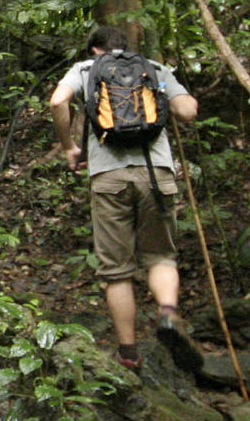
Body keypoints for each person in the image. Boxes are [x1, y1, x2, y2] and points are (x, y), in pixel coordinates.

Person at [48, 26, 201, 370]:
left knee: (116, 271)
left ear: (94, 50)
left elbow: (58, 101)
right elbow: (188, 111)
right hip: (156, 174)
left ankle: (129, 354)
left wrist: (69, 146)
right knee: (161, 255)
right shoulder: (153, 67)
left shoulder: (85, 70)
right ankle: (167, 314)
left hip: (108, 177)